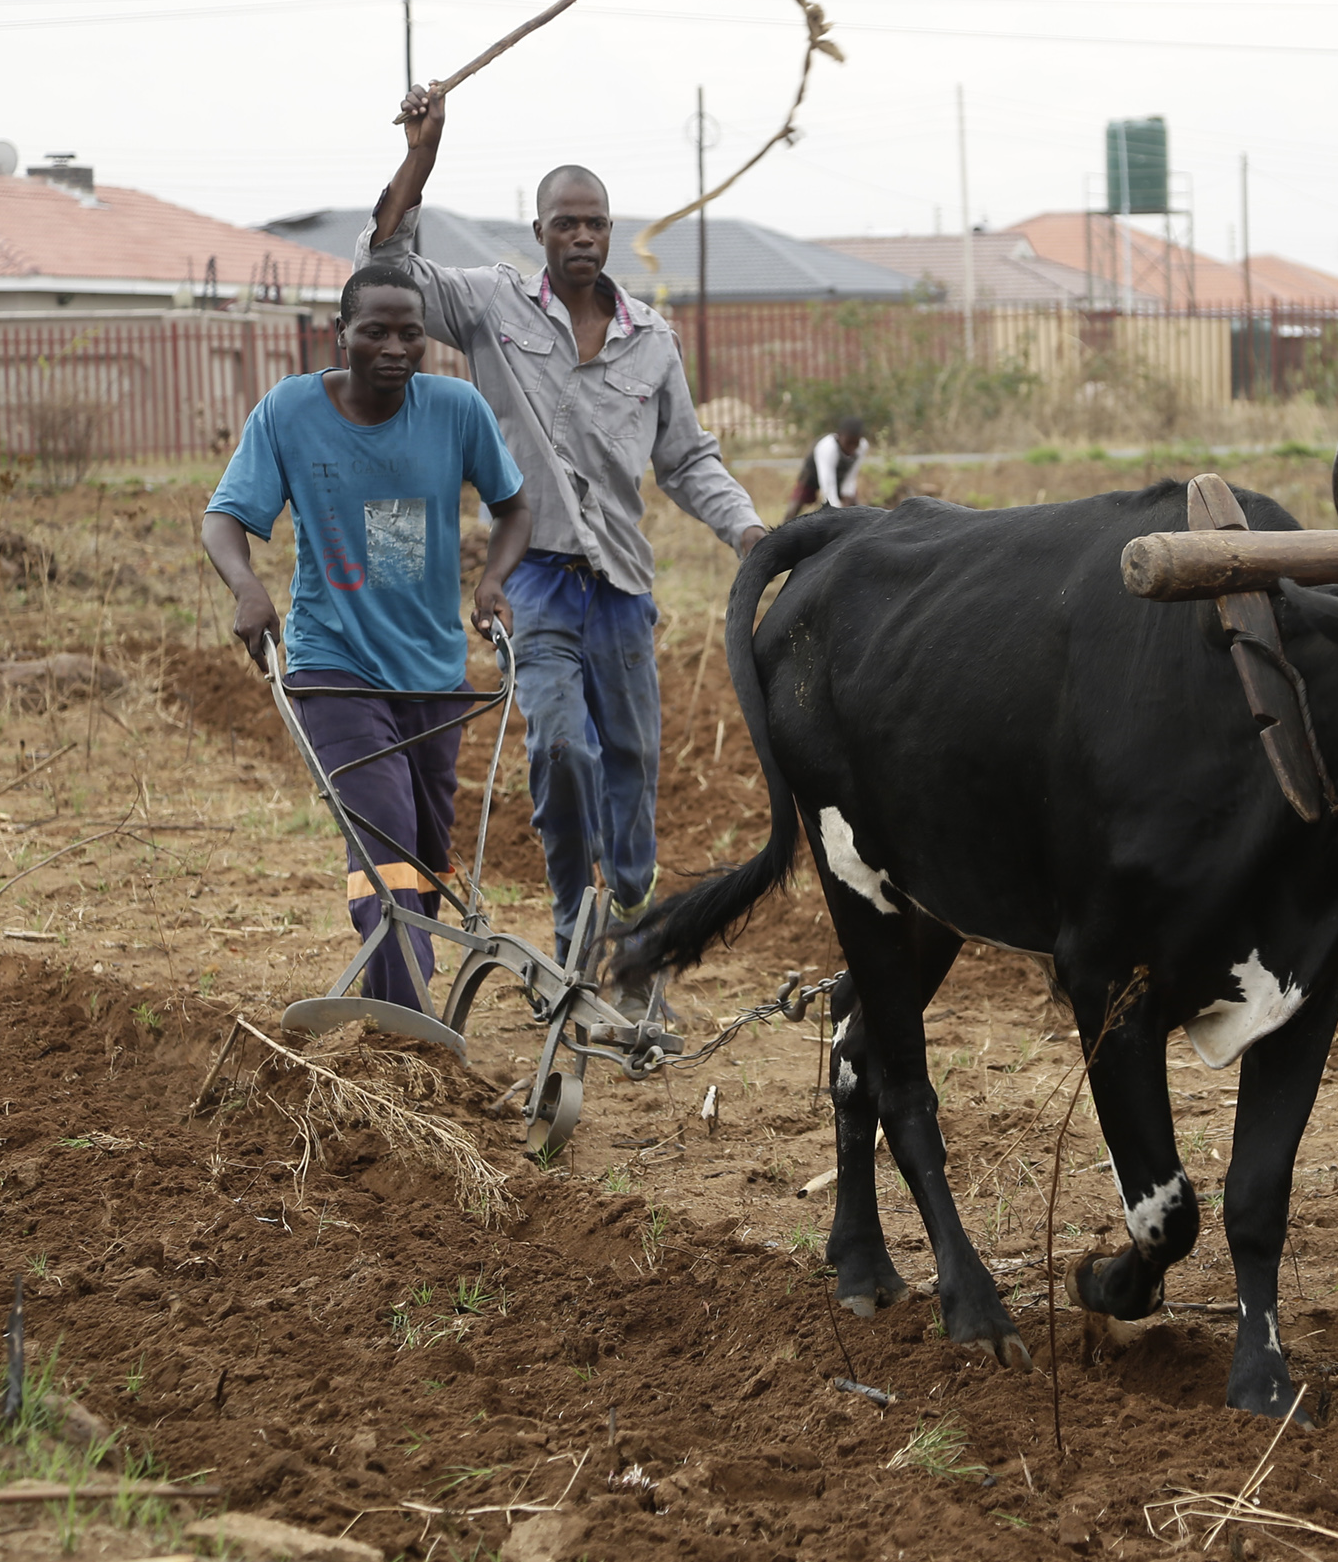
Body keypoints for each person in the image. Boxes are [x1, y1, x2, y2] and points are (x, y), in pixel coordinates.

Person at [364, 84, 768, 1003]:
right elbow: (388, 268)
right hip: (534, 580)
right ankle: (566, 935)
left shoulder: (651, 343)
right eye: (564, 224)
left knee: (630, 771)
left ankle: (632, 955)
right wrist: (423, 157)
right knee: (563, 753)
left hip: (622, 588)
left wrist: (750, 531)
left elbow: (688, 459)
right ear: (539, 233)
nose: (581, 238)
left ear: (611, 233)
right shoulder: (493, 311)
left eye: (595, 225)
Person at [200, 263, 530, 1014]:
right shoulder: (290, 412)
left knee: (426, 850)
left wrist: (492, 584)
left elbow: (514, 509)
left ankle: (408, 994)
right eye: (374, 331)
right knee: (382, 838)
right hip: (333, 663)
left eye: (410, 332)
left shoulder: (455, 411)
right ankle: (407, 1031)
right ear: (340, 335)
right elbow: (223, 518)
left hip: (432, 672)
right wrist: (249, 589)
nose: (394, 346)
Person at [788, 413, 870, 518]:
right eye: (849, 443)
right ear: (839, 435)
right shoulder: (827, 448)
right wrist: (836, 509)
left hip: (841, 478)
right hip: (812, 475)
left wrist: (847, 498)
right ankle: (782, 530)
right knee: (795, 506)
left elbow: (851, 476)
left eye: (856, 444)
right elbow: (827, 485)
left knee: (856, 508)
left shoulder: (862, 446)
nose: (852, 449)